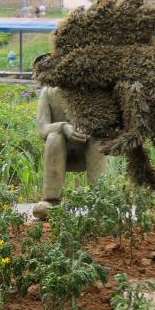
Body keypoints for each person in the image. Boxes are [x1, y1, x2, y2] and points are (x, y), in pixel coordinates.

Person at [31, 85, 106, 219]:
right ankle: (51, 200)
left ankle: (100, 198)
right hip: (60, 151)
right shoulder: (49, 92)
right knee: (54, 136)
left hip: (88, 148)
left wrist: (89, 126)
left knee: (98, 139)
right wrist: (63, 127)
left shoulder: (93, 89)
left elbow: (106, 120)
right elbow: (42, 128)